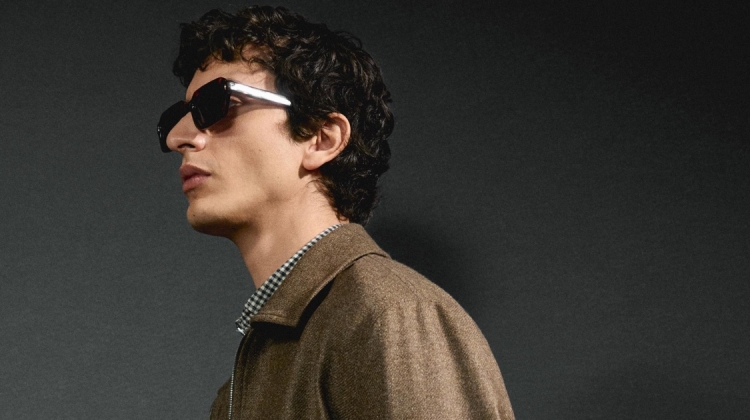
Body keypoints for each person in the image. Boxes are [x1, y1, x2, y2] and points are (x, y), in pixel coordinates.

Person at [157, 5, 514, 419]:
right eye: (180, 116)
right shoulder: (254, 371)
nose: (181, 138)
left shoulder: (388, 316)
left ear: (322, 139)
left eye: (216, 104)